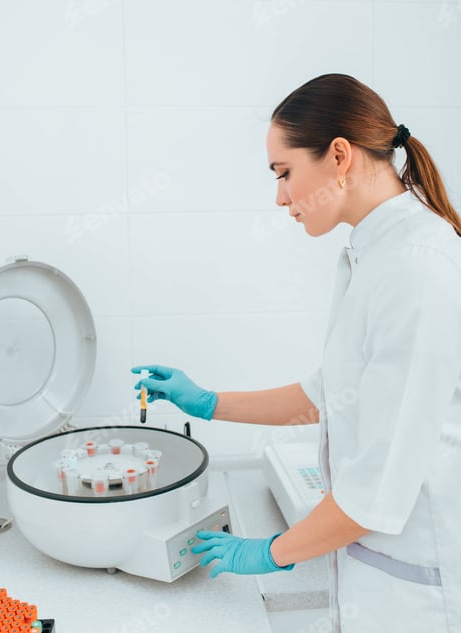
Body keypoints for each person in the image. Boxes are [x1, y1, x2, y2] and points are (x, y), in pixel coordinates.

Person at [132, 74, 461, 633]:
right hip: (373, 579)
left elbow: (373, 494)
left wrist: (270, 552)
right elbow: (325, 396)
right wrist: (206, 402)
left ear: (338, 156)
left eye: (284, 173)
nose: (280, 196)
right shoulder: (373, 255)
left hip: (418, 594)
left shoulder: (417, 270)